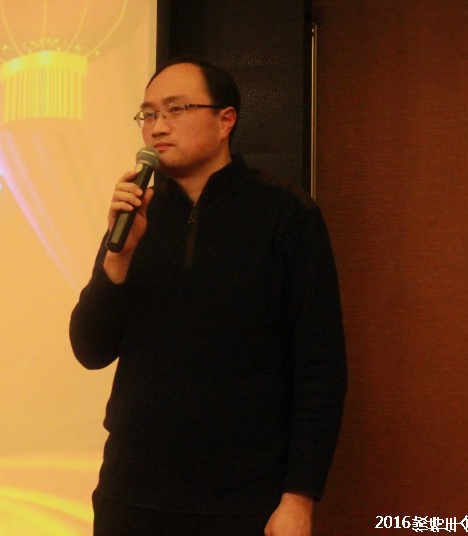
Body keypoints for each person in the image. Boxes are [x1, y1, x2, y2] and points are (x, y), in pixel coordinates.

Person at [69, 57, 347, 536]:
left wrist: (299, 498)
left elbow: (320, 366)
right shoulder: (136, 215)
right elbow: (90, 350)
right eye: (148, 114)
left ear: (225, 120)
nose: (158, 126)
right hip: (131, 495)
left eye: (176, 110)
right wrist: (117, 260)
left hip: (243, 501)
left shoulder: (285, 214)